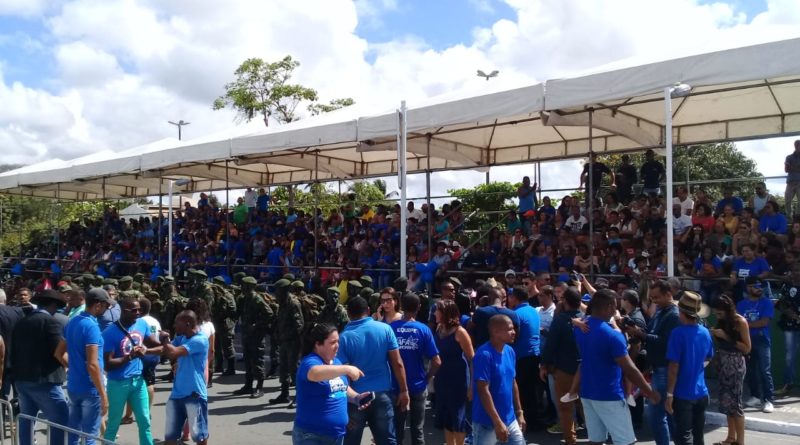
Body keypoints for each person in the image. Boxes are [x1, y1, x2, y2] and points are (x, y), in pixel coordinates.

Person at [573, 289, 660, 445]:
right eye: (614, 306)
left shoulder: (580, 327)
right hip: (610, 395)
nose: (616, 310)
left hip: (587, 393)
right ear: (609, 307)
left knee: (596, 440)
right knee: (626, 441)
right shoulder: (613, 336)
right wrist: (649, 391)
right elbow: (630, 369)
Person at [337, 296, 409, 445]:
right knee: (388, 441)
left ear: (349, 313)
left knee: (351, 441)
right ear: (368, 310)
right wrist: (404, 390)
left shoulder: (343, 338)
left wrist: (342, 406)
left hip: (356, 398)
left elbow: (344, 376)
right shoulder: (385, 329)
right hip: (383, 394)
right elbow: (398, 363)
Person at [293, 323, 372, 445]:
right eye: (332, 342)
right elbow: (314, 373)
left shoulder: (336, 362)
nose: (337, 346)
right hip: (312, 435)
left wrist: (357, 397)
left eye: (338, 342)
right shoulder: (310, 362)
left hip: (336, 435)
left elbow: (341, 387)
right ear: (318, 344)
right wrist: (347, 369)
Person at [623, 280, 679, 445]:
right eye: (652, 297)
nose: (654, 301)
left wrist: (641, 334)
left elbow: (665, 341)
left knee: (658, 415)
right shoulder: (661, 312)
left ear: (669, 294)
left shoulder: (673, 315)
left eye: (657, 297)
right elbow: (651, 332)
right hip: (657, 368)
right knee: (664, 415)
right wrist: (637, 331)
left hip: (664, 369)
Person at [102, 296, 162, 445]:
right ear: (124, 310)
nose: (138, 313)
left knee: (145, 421)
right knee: (113, 424)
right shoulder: (109, 332)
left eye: (140, 310)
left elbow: (159, 347)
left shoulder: (142, 324)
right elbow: (107, 365)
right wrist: (129, 357)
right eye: (134, 310)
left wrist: (149, 348)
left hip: (138, 380)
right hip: (117, 383)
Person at [12, 290, 69, 445]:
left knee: (27, 419)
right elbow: (59, 352)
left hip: (22, 379)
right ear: (53, 305)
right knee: (61, 421)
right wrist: (74, 367)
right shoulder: (50, 322)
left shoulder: (22, 321)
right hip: (45, 380)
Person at [55, 288, 111, 445]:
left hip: (74, 385)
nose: (107, 309)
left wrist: (73, 369)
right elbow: (93, 364)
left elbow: (59, 353)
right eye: (106, 306)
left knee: (74, 432)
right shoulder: (91, 327)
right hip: (90, 388)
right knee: (90, 435)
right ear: (98, 305)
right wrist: (103, 395)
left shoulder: (73, 321)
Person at [391, 293, 441, 445]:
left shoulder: (391, 328)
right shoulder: (423, 330)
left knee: (397, 430)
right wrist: (427, 378)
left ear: (400, 306)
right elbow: (437, 361)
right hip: (418, 385)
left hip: (396, 386)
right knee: (417, 430)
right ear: (419, 307)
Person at [665, 291, 713, 445]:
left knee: (684, 436)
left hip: (683, 393)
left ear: (682, 312)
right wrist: (696, 367)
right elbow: (708, 357)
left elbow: (674, 366)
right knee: (698, 436)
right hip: (701, 392)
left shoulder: (677, 333)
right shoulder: (705, 332)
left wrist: (669, 394)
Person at [471, 314, 526, 445]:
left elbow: (513, 382)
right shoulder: (484, 355)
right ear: (496, 332)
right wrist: (497, 422)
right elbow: (483, 390)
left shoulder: (510, 351)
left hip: (510, 419)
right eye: (509, 329)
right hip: (487, 423)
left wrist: (519, 412)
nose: (514, 332)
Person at [539, 287, 582, 445]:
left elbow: (551, 345)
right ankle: (597, 437)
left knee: (565, 407)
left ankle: (570, 440)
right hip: (583, 369)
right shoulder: (586, 319)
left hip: (564, 370)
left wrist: (544, 365)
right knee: (586, 406)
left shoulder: (560, 320)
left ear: (565, 301)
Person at [160, 310, 210, 445]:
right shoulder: (182, 338)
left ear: (187, 324)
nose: (174, 326)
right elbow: (165, 349)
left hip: (194, 395)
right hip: (177, 394)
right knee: (170, 437)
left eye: (177, 323)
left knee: (199, 436)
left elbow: (173, 352)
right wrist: (143, 350)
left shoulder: (200, 340)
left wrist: (165, 339)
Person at [710, 294, 751, 445]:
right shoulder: (721, 321)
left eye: (720, 313)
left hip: (735, 365)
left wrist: (726, 336)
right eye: (716, 313)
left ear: (727, 310)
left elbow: (747, 348)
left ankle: (740, 441)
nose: (717, 315)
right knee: (727, 403)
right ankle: (730, 438)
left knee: (736, 404)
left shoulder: (740, 322)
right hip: (723, 363)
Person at [433, 299, 474, 445]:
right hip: (442, 380)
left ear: (446, 313)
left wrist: (471, 386)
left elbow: (472, 360)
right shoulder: (439, 329)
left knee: (458, 418)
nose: (434, 312)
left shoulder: (460, 332)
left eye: (438, 310)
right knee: (446, 418)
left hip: (458, 381)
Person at [506, 286, 543, 429]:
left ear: (514, 297)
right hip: (534, 355)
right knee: (531, 391)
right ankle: (533, 420)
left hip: (522, 357)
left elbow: (513, 337)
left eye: (510, 296)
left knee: (522, 391)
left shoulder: (515, 314)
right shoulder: (533, 310)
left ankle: (526, 421)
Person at [737, 277, 776, 413]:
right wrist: (745, 327)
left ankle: (768, 400)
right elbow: (737, 324)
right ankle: (755, 396)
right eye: (755, 286)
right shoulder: (741, 304)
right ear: (748, 288)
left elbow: (763, 322)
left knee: (765, 370)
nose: (759, 289)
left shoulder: (766, 302)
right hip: (747, 340)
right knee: (750, 370)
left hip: (762, 340)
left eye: (760, 286)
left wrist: (745, 325)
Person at [235, 277, 274, 398]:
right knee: (247, 360)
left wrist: (256, 325)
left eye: (244, 285)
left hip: (256, 335)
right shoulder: (245, 298)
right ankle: (248, 385)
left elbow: (269, 314)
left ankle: (259, 387)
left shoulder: (257, 299)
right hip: (247, 333)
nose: (241, 287)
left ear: (249, 286)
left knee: (258, 360)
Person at [271, 279, 304, 404]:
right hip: (284, 341)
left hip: (292, 342)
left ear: (284, 291)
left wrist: (287, 335)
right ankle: (284, 394)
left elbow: (299, 325)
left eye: (278, 291)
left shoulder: (293, 304)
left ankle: (299, 395)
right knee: (283, 367)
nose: (276, 294)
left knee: (294, 369)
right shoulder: (282, 302)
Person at [776, 265, 800, 396]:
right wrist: (788, 311)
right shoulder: (787, 286)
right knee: (790, 356)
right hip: (790, 325)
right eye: (795, 270)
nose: (797, 272)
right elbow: (780, 303)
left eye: (798, 270)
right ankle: (788, 383)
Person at [784, 140, 800, 219]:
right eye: (797, 145)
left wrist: (792, 167)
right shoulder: (789, 157)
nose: (798, 146)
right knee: (787, 200)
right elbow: (786, 169)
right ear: (795, 146)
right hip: (790, 182)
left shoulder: (789, 158)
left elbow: (789, 168)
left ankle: (797, 216)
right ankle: (788, 216)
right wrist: (797, 168)